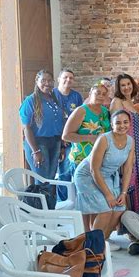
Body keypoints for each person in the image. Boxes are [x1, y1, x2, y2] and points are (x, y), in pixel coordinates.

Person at [73, 110, 134, 248]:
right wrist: (108, 194)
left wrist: (123, 193)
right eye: (117, 122)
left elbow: (128, 168)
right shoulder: (104, 139)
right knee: (105, 209)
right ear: (111, 125)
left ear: (129, 124)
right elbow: (94, 170)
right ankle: (93, 246)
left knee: (119, 208)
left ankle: (101, 240)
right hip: (87, 176)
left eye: (125, 122)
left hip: (106, 176)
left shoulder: (130, 141)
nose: (122, 125)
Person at [19, 70, 64, 190]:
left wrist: (62, 146)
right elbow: (26, 128)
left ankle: (49, 208)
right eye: (43, 80)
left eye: (49, 80)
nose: (47, 83)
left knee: (50, 180)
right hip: (38, 143)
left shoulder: (55, 99)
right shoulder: (31, 100)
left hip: (55, 142)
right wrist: (35, 151)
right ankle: (41, 208)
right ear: (37, 82)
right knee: (42, 181)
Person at [62, 80, 111, 179]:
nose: (101, 96)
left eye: (104, 94)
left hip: (99, 160)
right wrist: (90, 138)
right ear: (90, 94)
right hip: (81, 159)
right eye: (97, 93)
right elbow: (66, 136)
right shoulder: (81, 111)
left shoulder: (105, 111)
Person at [110, 73, 139, 214]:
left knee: (134, 182)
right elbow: (116, 128)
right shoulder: (117, 101)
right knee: (127, 183)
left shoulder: (132, 102)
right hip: (124, 147)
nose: (126, 87)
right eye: (122, 85)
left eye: (128, 84)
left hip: (135, 147)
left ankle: (134, 219)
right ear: (118, 87)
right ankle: (125, 222)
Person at [53, 68, 83, 201]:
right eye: (65, 77)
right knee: (63, 173)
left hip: (72, 140)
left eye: (71, 78)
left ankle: (74, 202)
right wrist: (61, 141)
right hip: (55, 140)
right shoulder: (51, 94)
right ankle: (62, 202)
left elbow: (81, 118)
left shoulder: (76, 96)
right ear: (59, 79)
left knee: (74, 171)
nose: (68, 80)